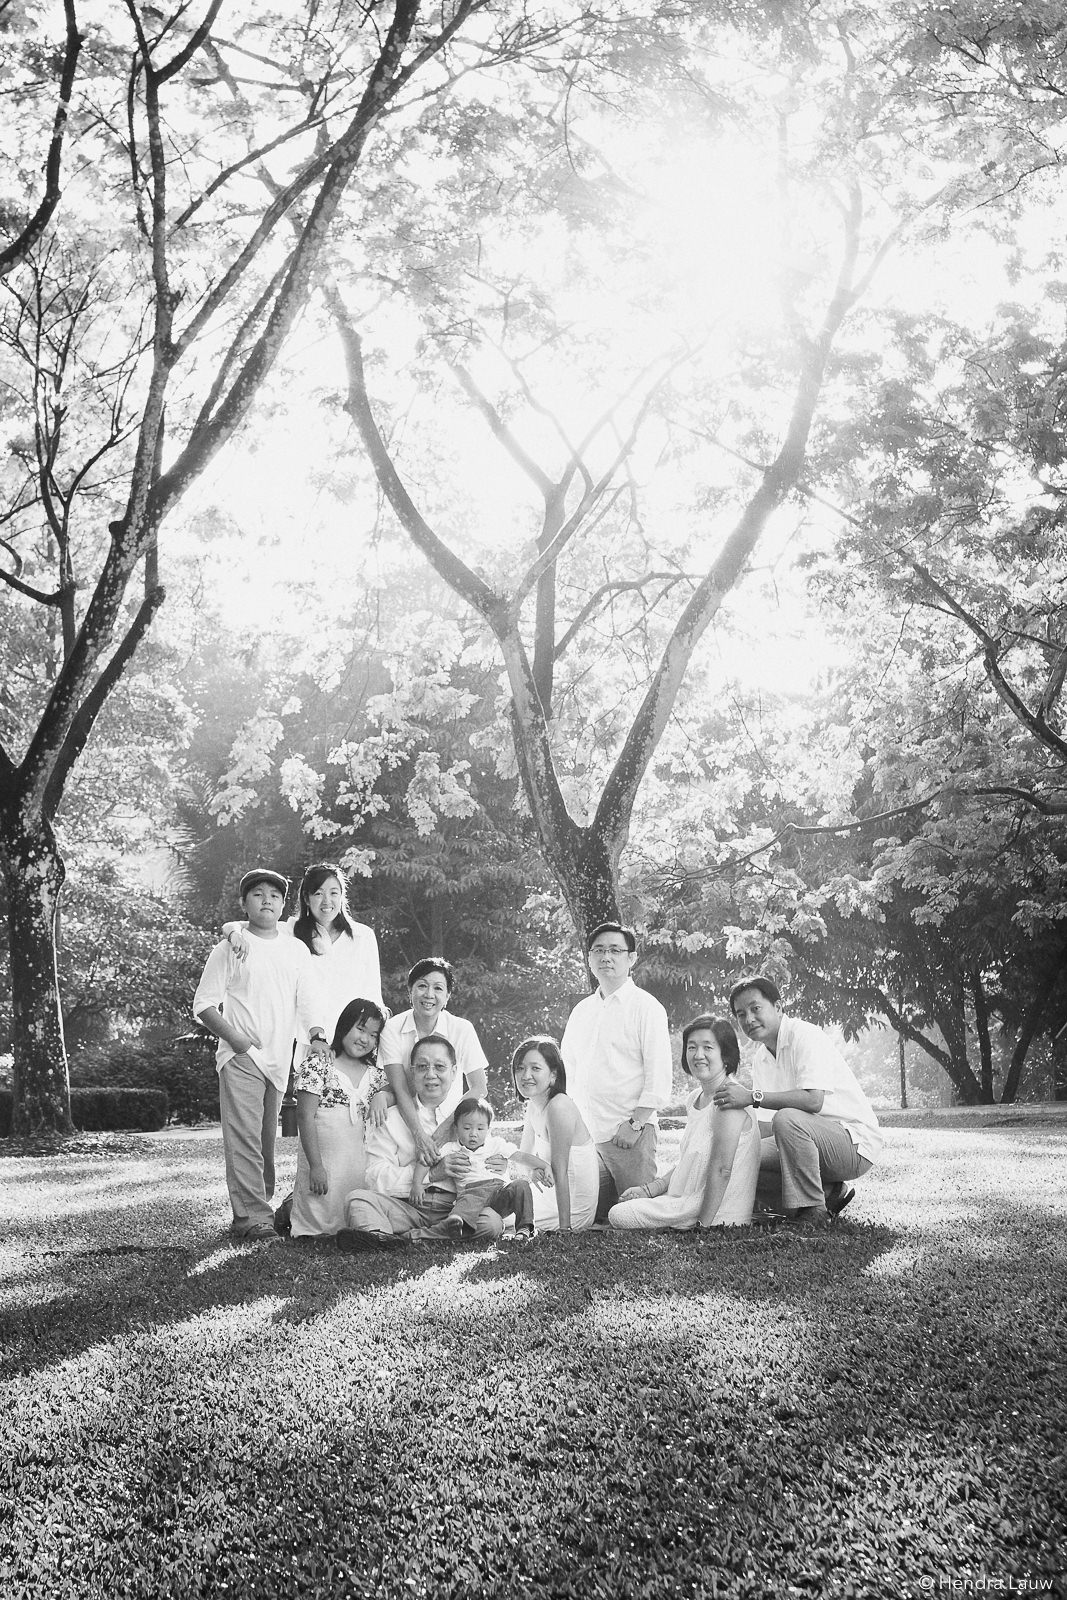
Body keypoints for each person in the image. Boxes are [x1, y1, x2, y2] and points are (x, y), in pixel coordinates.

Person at [193, 868, 331, 1241]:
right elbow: (203, 1004)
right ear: (244, 903)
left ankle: (260, 1210)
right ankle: (250, 1218)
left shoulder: (294, 948)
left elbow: (308, 997)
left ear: (283, 904)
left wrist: (317, 1032)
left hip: (278, 1059)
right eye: (257, 894)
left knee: (265, 1141)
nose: (267, 899)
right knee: (245, 1139)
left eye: (274, 894)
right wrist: (236, 1040)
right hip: (241, 1057)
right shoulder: (231, 947)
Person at [720, 975, 882, 1224]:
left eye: (755, 1008)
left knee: (788, 1118)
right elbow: (764, 1127)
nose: (749, 1019)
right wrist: (736, 1151)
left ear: (778, 1007)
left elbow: (813, 1101)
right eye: (741, 1014)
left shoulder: (805, 1035)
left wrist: (750, 1097)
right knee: (740, 1158)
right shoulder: (761, 1057)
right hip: (802, 1141)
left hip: (852, 1144)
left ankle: (813, 1210)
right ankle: (828, 1192)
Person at [340, 1034, 516, 1249]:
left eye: (440, 1067)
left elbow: (494, 1173)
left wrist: (502, 1167)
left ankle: (400, 1239)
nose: (431, 1074)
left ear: (454, 1072)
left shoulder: (472, 1118)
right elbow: (375, 1176)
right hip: (409, 1207)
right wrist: (431, 1175)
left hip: (459, 1209)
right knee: (358, 1200)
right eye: (422, 1066)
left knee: (490, 1223)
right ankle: (403, 1236)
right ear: (412, 1072)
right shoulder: (392, 1117)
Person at [560, 922, 673, 1222]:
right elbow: (566, 1070)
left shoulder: (647, 1008)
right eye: (598, 950)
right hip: (585, 1138)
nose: (606, 957)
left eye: (614, 950)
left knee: (636, 1214)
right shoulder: (581, 1011)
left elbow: (659, 1076)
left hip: (629, 1134)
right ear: (589, 958)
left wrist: (635, 1125)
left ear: (631, 958)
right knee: (581, 1216)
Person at [608, 1016, 759, 1231]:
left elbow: (722, 1170)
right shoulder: (696, 1098)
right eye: (691, 1047)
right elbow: (690, 1161)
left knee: (619, 1214)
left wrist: (702, 1227)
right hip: (685, 1202)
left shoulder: (729, 1099)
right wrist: (650, 1190)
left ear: (726, 1055)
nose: (698, 1055)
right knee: (627, 1206)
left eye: (708, 1047)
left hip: (719, 1214)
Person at [225, 860, 383, 1033]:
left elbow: (373, 995)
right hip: (307, 1040)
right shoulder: (291, 931)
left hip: (351, 1041)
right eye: (318, 894)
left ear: (342, 897)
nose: (327, 901)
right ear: (307, 898)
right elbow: (241, 925)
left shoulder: (363, 936)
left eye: (334, 893)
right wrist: (234, 934)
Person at [289, 998, 389, 1238]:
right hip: (323, 1162)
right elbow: (305, 1116)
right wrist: (315, 1166)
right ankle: (292, 1213)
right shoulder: (320, 1064)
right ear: (345, 1025)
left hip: (357, 1162)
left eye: (373, 1035)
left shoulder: (376, 1076)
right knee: (321, 1214)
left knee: (354, 1210)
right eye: (360, 1028)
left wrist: (382, 1097)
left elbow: (398, 1093)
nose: (365, 1039)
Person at [377, 957, 489, 1164]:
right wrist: (419, 1135)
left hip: (452, 1120)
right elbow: (400, 1089)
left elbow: (479, 1087)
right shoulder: (392, 1029)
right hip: (406, 1119)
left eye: (438, 988)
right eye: (421, 986)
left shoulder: (462, 1029)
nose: (429, 994)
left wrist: (448, 1127)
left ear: (447, 996)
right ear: (410, 991)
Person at [510, 1036, 599, 1233]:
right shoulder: (534, 1105)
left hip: (572, 1210)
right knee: (499, 1193)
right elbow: (523, 1159)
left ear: (553, 1075)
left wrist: (564, 1228)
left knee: (501, 1212)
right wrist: (533, 1171)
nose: (525, 1075)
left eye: (535, 1068)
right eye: (520, 1068)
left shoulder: (559, 1106)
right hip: (548, 1195)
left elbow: (561, 1170)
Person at [414, 1095, 534, 1240]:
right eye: (467, 1128)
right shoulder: (451, 1148)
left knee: (521, 1185)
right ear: (456, 1129)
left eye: (480, 1128)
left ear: (488, 1129)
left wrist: (542, 1166)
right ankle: (454, 1223)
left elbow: (520, 1156)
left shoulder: (495, 1144)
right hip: (472, 1193)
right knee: (466, 1202)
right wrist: (417, 1184)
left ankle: (525, 1228)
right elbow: (425, 1159)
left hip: (499, 1193)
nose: (473, 1134)